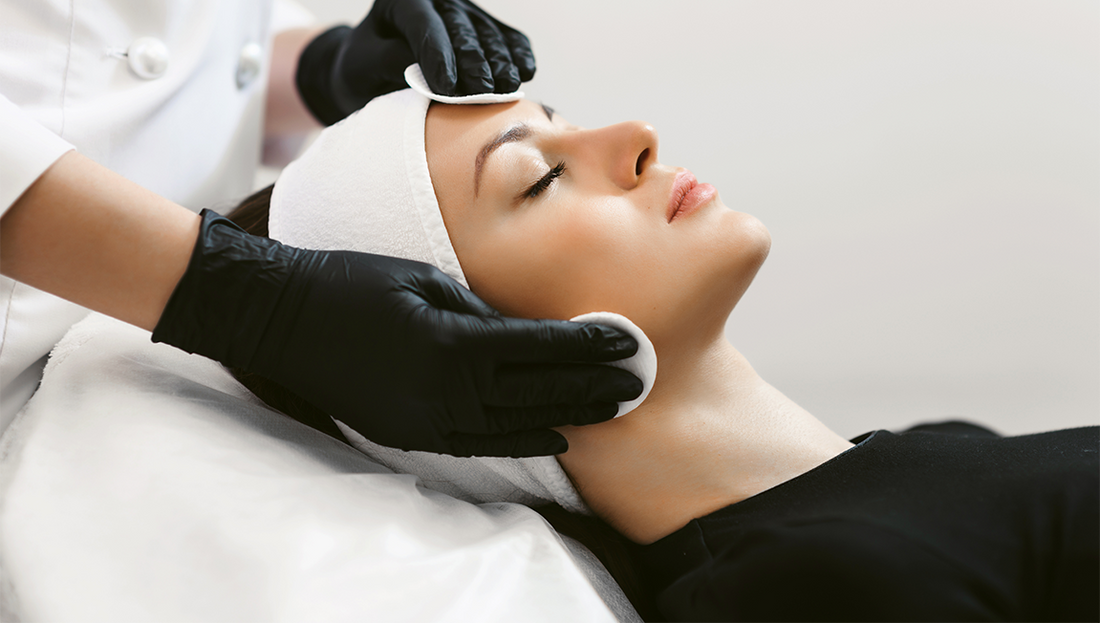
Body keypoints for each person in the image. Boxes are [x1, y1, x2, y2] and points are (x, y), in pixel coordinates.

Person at [225, 82, 1100, 622]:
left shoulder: (934, 460)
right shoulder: (818, 585)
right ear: (465, 349)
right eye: (539, 179)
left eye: (558, 118)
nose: (633, 134)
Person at [0, 0, 641, 455]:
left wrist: (315, 69)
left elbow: (119, 12)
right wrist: (251, 304)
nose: (642, 134)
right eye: (539, 177)